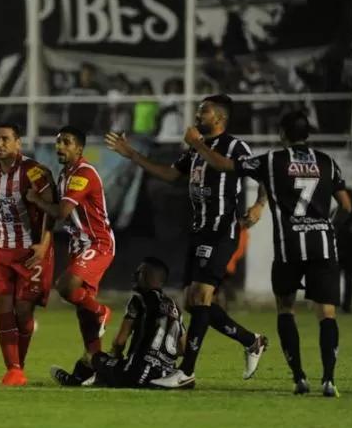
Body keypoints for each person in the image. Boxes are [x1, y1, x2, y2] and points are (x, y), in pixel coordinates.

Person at [184, 110, 352, 397]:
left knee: (286, 309)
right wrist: (328, 229)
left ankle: (299, 377)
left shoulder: (273, 160)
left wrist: (199, 145)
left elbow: (226, 166)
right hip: (322, 246)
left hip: (289, 249)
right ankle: (329, 380)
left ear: (282, 134)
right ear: (308, 134)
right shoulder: (327, 162)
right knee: (326, 313)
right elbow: (346, 207)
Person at [105, 95, 268, 390]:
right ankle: (251, 341)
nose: (197, 114)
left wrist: (260, 204)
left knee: (200, 299)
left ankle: (187, 371)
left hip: (221, 230)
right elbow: (170, 175)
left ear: (219, 118)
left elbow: (259, 171)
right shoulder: (194, 150)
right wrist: (133, 156)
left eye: (203, 111)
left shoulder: (234, 146)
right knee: (194, 304)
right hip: (198, 231)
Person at [0, 123, 56, 386]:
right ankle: (14, 369)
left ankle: (19, 361)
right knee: (3, 306)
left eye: (5, 139)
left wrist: (44, 245)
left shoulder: (35, 172)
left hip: (32, 251)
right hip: (4, 251)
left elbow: (52, 208)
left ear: (18, 142)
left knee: (23, 310)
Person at [25, 126, 114, 359]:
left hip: (98, 243)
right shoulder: (65, 174)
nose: (60, 147)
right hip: (79, 245)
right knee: (83, 312)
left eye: (66, 142)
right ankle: (93, 362)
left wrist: (36, 199)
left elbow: (62, 212)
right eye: (58, 142)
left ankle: (102, 311)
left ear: (79, 148)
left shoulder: (84, 173)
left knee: (66, 287)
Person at [50, 257, 186, 389]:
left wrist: (110, 359)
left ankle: (73, 381)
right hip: (163, 377)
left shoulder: (138, 301)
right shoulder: (175, 308)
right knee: (116, 365)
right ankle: (102, 378)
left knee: (92, 356)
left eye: (139, 272)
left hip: (135, 375)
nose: (135, 275)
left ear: (145, 276)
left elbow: (119, 342)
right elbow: (183, 348)